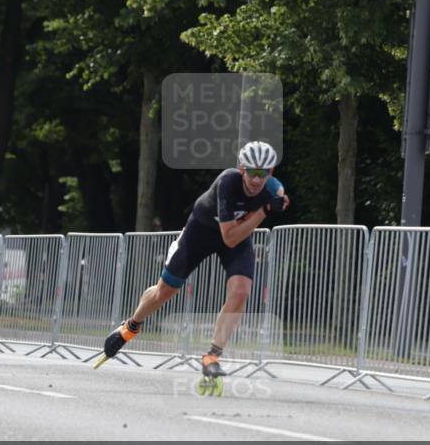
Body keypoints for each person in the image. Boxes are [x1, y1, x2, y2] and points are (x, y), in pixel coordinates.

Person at [100, 141, 289, 378]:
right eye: (252, 172)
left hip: (237, 235)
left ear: (271, 173)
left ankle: (212, 355)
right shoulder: (228, 182)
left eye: (264, 173)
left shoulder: (274, 190)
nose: (257, 180)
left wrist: (268, 207)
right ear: (242, 169)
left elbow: (244, 228)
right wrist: (264, 212)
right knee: (165, 292)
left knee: (241, 291)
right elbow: (229, 237)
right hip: (200, 234)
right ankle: (131, 325)